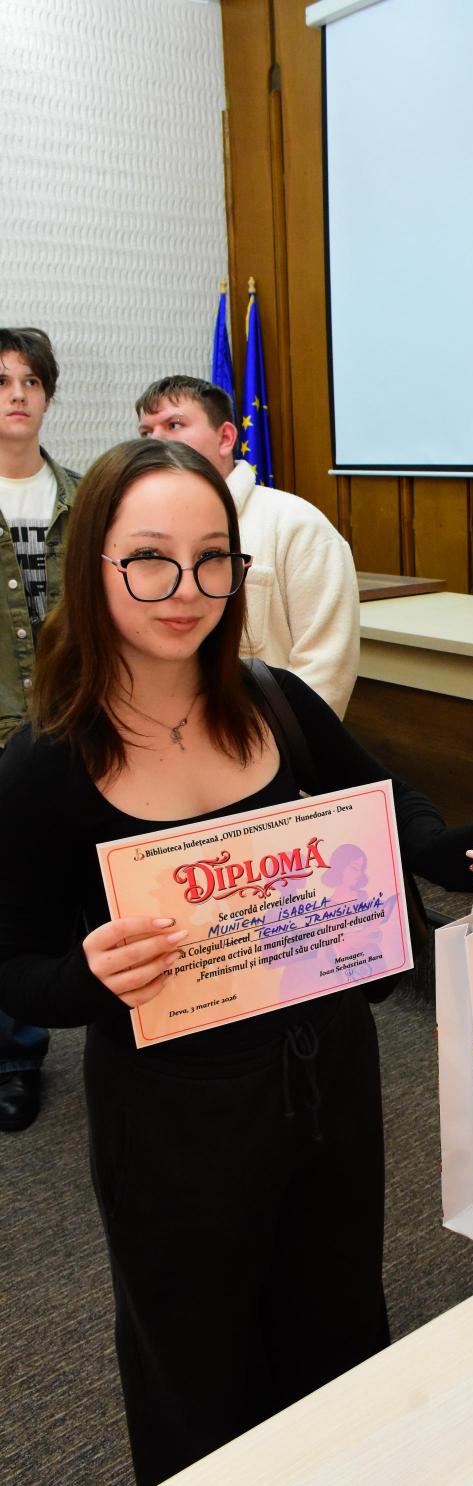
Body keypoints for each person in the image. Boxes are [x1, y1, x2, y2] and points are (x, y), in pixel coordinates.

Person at [0, 438, 473, 1486]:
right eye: (151, 559)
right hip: (173, 1119)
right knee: (196, 1365)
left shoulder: (273, 698)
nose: (187, 589)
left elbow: (394, 812)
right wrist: (85, 979)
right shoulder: (47, 758)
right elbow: (11, 966)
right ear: (95, 566)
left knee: (337, 1330)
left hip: (329, 1082)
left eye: (213, 559)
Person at [135, 375, 360, 717]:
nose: (156, 441)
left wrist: (264, 741)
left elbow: (327, 669)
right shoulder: (140, 533)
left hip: (264, 736)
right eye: (145, 432)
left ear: (226, 438)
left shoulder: (297, 525)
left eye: (174, 424)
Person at [0, 326, 79, 1132]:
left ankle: (36, 1050)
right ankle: (11, 1056)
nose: (17, 394)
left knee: (68, 889)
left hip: (71, 722)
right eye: (1, 381)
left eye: (31, 381)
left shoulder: (87, 499)